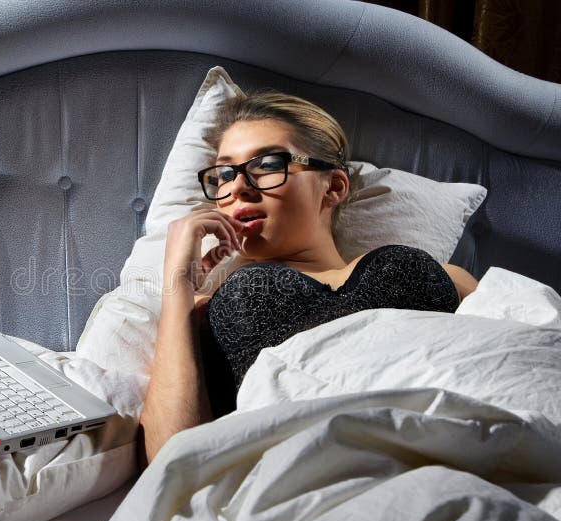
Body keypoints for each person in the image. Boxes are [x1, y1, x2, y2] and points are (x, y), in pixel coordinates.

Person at [138, 91, 478, 466]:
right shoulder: (201, 311)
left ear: (333, 187)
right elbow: (169, 460)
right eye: (223, 174)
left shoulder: (447, 277)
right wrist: (177, 283)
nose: (237, 187)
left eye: (267, 163)